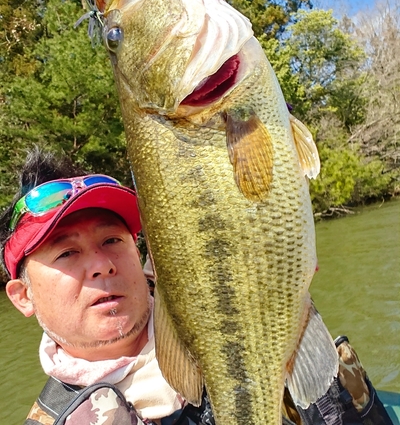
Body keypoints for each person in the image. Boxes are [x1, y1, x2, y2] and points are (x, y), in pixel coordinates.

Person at [0, 146, 394, 425]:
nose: (102, 265)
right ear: (23, 296)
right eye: (67, 253)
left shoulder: (228, 300)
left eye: (112, 241)